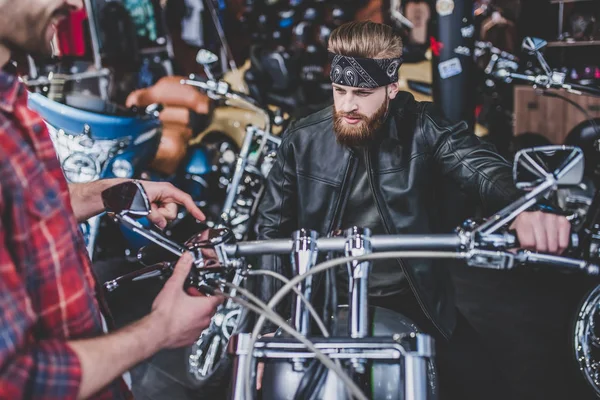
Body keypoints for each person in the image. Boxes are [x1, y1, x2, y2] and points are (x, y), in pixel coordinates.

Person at [255, 20, 572, 399]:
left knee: (485, 386)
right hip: (321, 299)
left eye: (362, 92)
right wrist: (267, 326)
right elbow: (269, 229)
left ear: (391, 88)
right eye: (339, 90)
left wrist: (527, 206)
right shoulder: (302, 137)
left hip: (411, 297)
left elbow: (479, 166)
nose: (348, 105)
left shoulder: (424, 126)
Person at [0, 1, 222, 399]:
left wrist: (114, 192)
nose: (75, 4)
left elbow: (26, 212)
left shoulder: (10, 95)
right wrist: (160, 329)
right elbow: (15, 382)